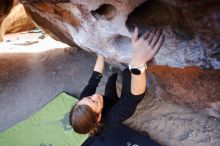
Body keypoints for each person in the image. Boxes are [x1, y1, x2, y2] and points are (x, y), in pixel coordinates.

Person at [69, 28, 164, 144]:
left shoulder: (84, 102)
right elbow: (135, 96)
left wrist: (101, 51)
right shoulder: (111, 119)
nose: (94, 95)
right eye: (94, 102)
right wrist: (137, 64)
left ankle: (113, 73)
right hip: (117, 106)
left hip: (108, 101)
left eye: (88, 98)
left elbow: (95, 76)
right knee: (129, 73)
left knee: (110, 84)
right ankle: (126, 71)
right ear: (98, 117)